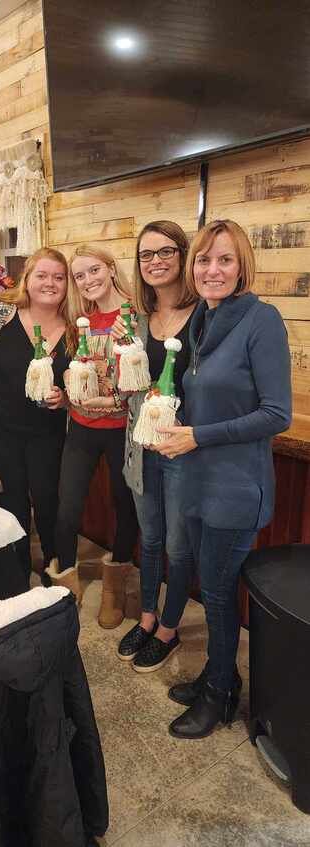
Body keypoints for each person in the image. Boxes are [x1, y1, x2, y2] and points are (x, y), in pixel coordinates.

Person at [154, 219, 291, 739]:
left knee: (214, 593)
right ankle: (220, 676)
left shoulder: (262, 320)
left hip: (235, 489)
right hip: (197, 480)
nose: (213, 270)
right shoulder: (204, 321)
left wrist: (198, 436)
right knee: (206, 587)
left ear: (241, 267)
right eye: (205, 260)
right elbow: (202, 396)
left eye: (225, 260)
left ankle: (219, 695)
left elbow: (275, 414)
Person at [114, 221, 197, 671]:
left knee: (179, 545)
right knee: (151, 539)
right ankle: (147, 619)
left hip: (183, 450)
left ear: (183, 256)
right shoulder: (137, 320)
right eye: (147, 255)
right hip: (141, 446)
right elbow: (127, 387)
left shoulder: (203, 315)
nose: (156, 262)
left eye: (166, 251)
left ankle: (168, 628)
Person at [45, 243, 139, 622]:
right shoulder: (79, 321)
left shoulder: (135, 313)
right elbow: (72, 377)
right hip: (82, 428)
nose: (87, 281)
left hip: (122, 431)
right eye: (79, 276)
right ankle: (66, 583)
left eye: (94, 271)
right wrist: (64, 395)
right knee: (66, 507)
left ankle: (114, 589)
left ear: (111, 269)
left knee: (124, 506)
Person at [0, 247, 70, 581]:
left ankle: (53, 566)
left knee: (48, 501)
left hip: (49, 434)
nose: (50, 283)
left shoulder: (77, 327)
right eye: (42, 275)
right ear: (27, 279)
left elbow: (84, 378)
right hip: (3, 430)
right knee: (13, 502)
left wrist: (65, 399)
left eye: (58, 277)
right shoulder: (1, 316)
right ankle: (17, 571)